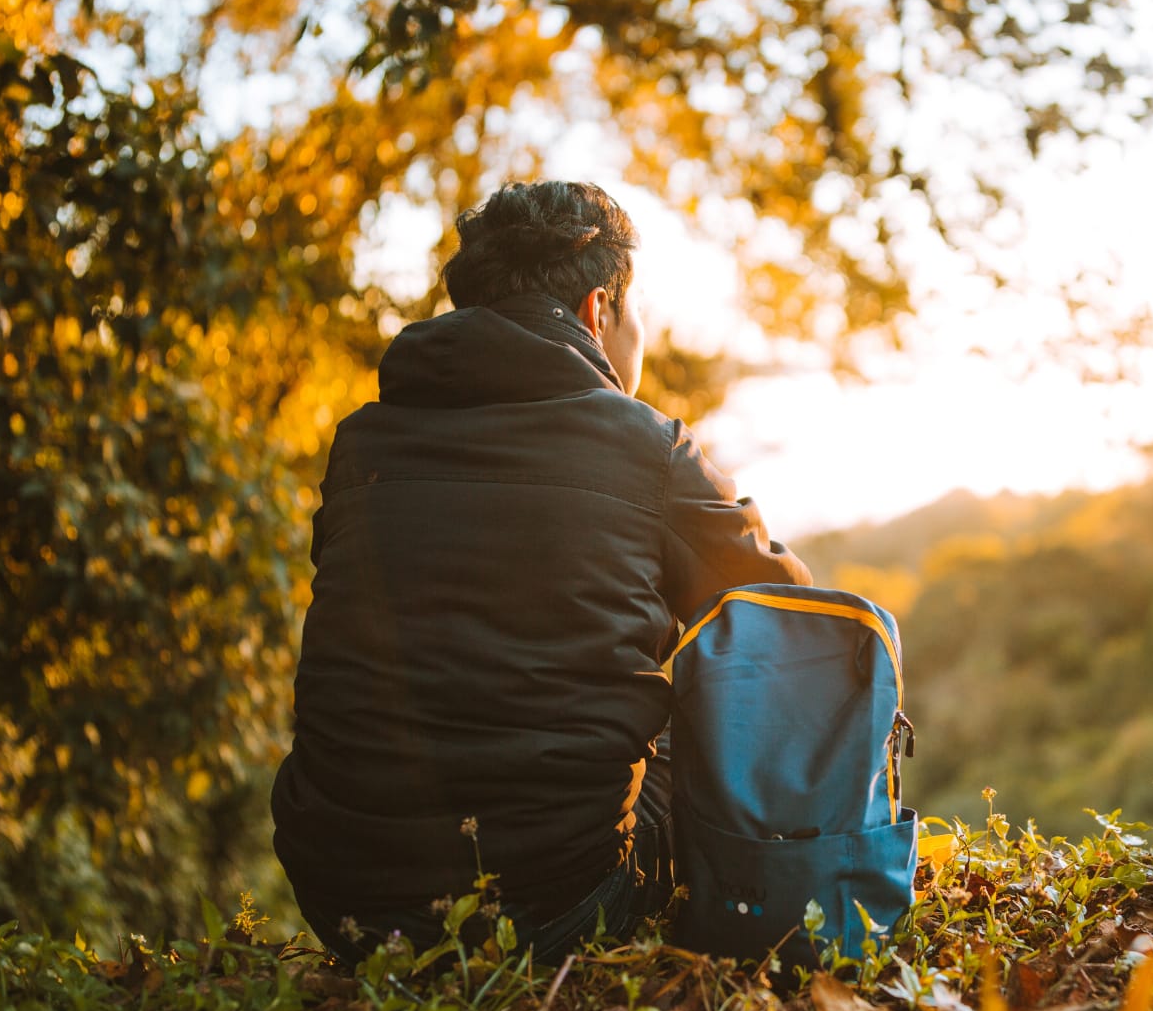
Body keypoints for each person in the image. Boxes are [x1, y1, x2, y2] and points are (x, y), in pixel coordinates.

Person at [271, 180, 811, 963]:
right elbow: (796, 617)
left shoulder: (361, 443)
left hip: (341, 899)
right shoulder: (646, 445)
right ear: (600, 309)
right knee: (687, 716)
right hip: (558, 907)